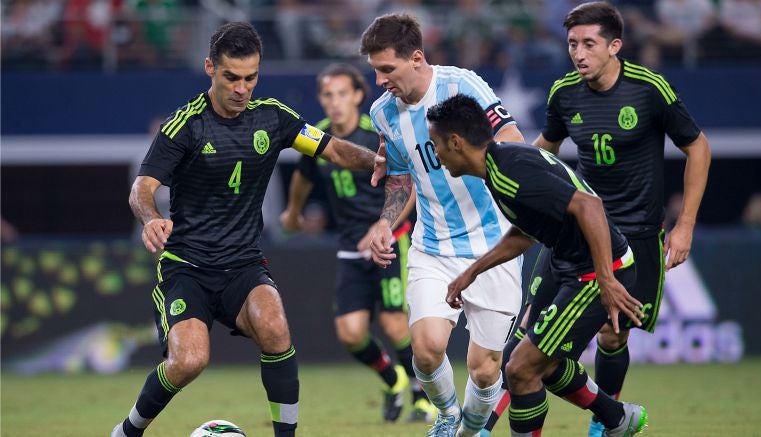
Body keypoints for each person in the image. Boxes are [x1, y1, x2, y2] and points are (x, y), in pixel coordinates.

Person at [110, 22, 386, 437]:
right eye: (232, 78)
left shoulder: (273, 117)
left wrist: (380, 161)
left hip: (243, 264)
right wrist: (151, 218)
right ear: (210, 68)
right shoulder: (184, 125)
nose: (242, 89)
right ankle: (128, 431)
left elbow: (334, 149)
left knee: (275, 327)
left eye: (251, 78)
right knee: (188, 362)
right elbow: (142, 188)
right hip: (188, 267)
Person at [481, 2, 712, 435]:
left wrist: (685, 225)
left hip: (637, 237)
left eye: (589, 44)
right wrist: (513, 184)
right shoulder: (563, 93)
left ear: (615, 46)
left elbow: (698, 147)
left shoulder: (649, 89)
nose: (579, 53)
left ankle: (607, 421)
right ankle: (495, 422)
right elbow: (543, 152)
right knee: (531, 329)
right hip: (576, 232)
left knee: (612, 335)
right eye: (572, 44)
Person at [431, 93, 648, 437]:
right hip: (568, 265)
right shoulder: (500, 167)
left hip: (594, 272)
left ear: (455, 142)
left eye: (436, 144)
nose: (436, 154)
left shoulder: (511, 171)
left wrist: (606, 279)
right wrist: (471, 273)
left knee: (520, 368)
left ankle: (617, 417)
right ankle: (617, 417)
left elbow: (590, 206)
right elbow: (525, 232)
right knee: (536, 363)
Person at [362, 14, 525, 437]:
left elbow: (512, 141)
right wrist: (384, 223)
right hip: (432, 245)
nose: (380, 81)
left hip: (494, 246)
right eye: (375, 70)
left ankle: (471, 429)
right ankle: (447, 415)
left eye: (387, 70)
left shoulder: (463, 86)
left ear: (416, 58)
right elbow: (400, 178)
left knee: (485, 371)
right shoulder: (383, 114)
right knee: (428, 348)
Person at [279, 62, 435, 423]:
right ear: (320, 98)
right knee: (350, 333)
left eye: (342, 94)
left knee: (395, 322)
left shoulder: (376, 132)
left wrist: (384, 223)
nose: (335, 102)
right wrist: (292, 212)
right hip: (350, 244)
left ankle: (421, 394)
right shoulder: (315, 137)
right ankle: (391, 377)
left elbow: (410, 183)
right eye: (328, 95)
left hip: (391, 238)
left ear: (359, 96)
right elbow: (303, 177)